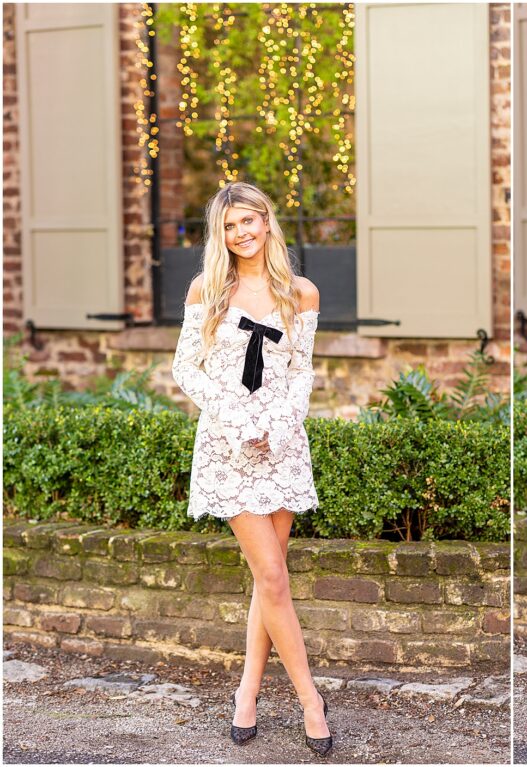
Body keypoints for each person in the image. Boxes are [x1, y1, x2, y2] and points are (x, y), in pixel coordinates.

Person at [171, 181, 332, 756]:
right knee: (271, 576)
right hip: (226, 446)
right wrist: (234, 417)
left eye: (249, 221)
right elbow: (185, 369)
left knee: (272, 580)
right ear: (222, 234)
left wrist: (281, 424)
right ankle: (311, 699)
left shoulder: (302, 294)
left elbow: (302, 373)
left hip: (282, 446)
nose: (241, 234)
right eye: (230, 226)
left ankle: (246, 692)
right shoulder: (208, 291)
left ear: (267, 222)